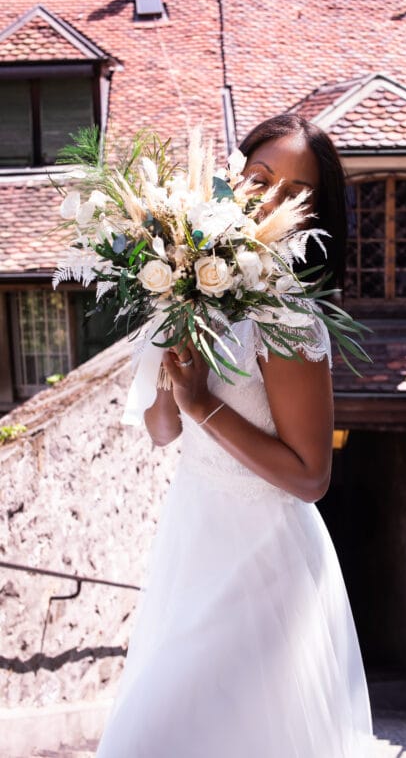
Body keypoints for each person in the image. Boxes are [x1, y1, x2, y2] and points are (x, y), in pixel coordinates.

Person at [96, 114, 374, 757]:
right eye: (259, 179)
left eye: (293, 195)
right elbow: (162, 432)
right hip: (193, 545)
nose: (269, 200)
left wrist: (200, 403)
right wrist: (173, 355)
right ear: (229, 180)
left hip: (262, 567)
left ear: (311, 220)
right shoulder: (197, 290)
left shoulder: (289, 319)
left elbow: (311, 477)